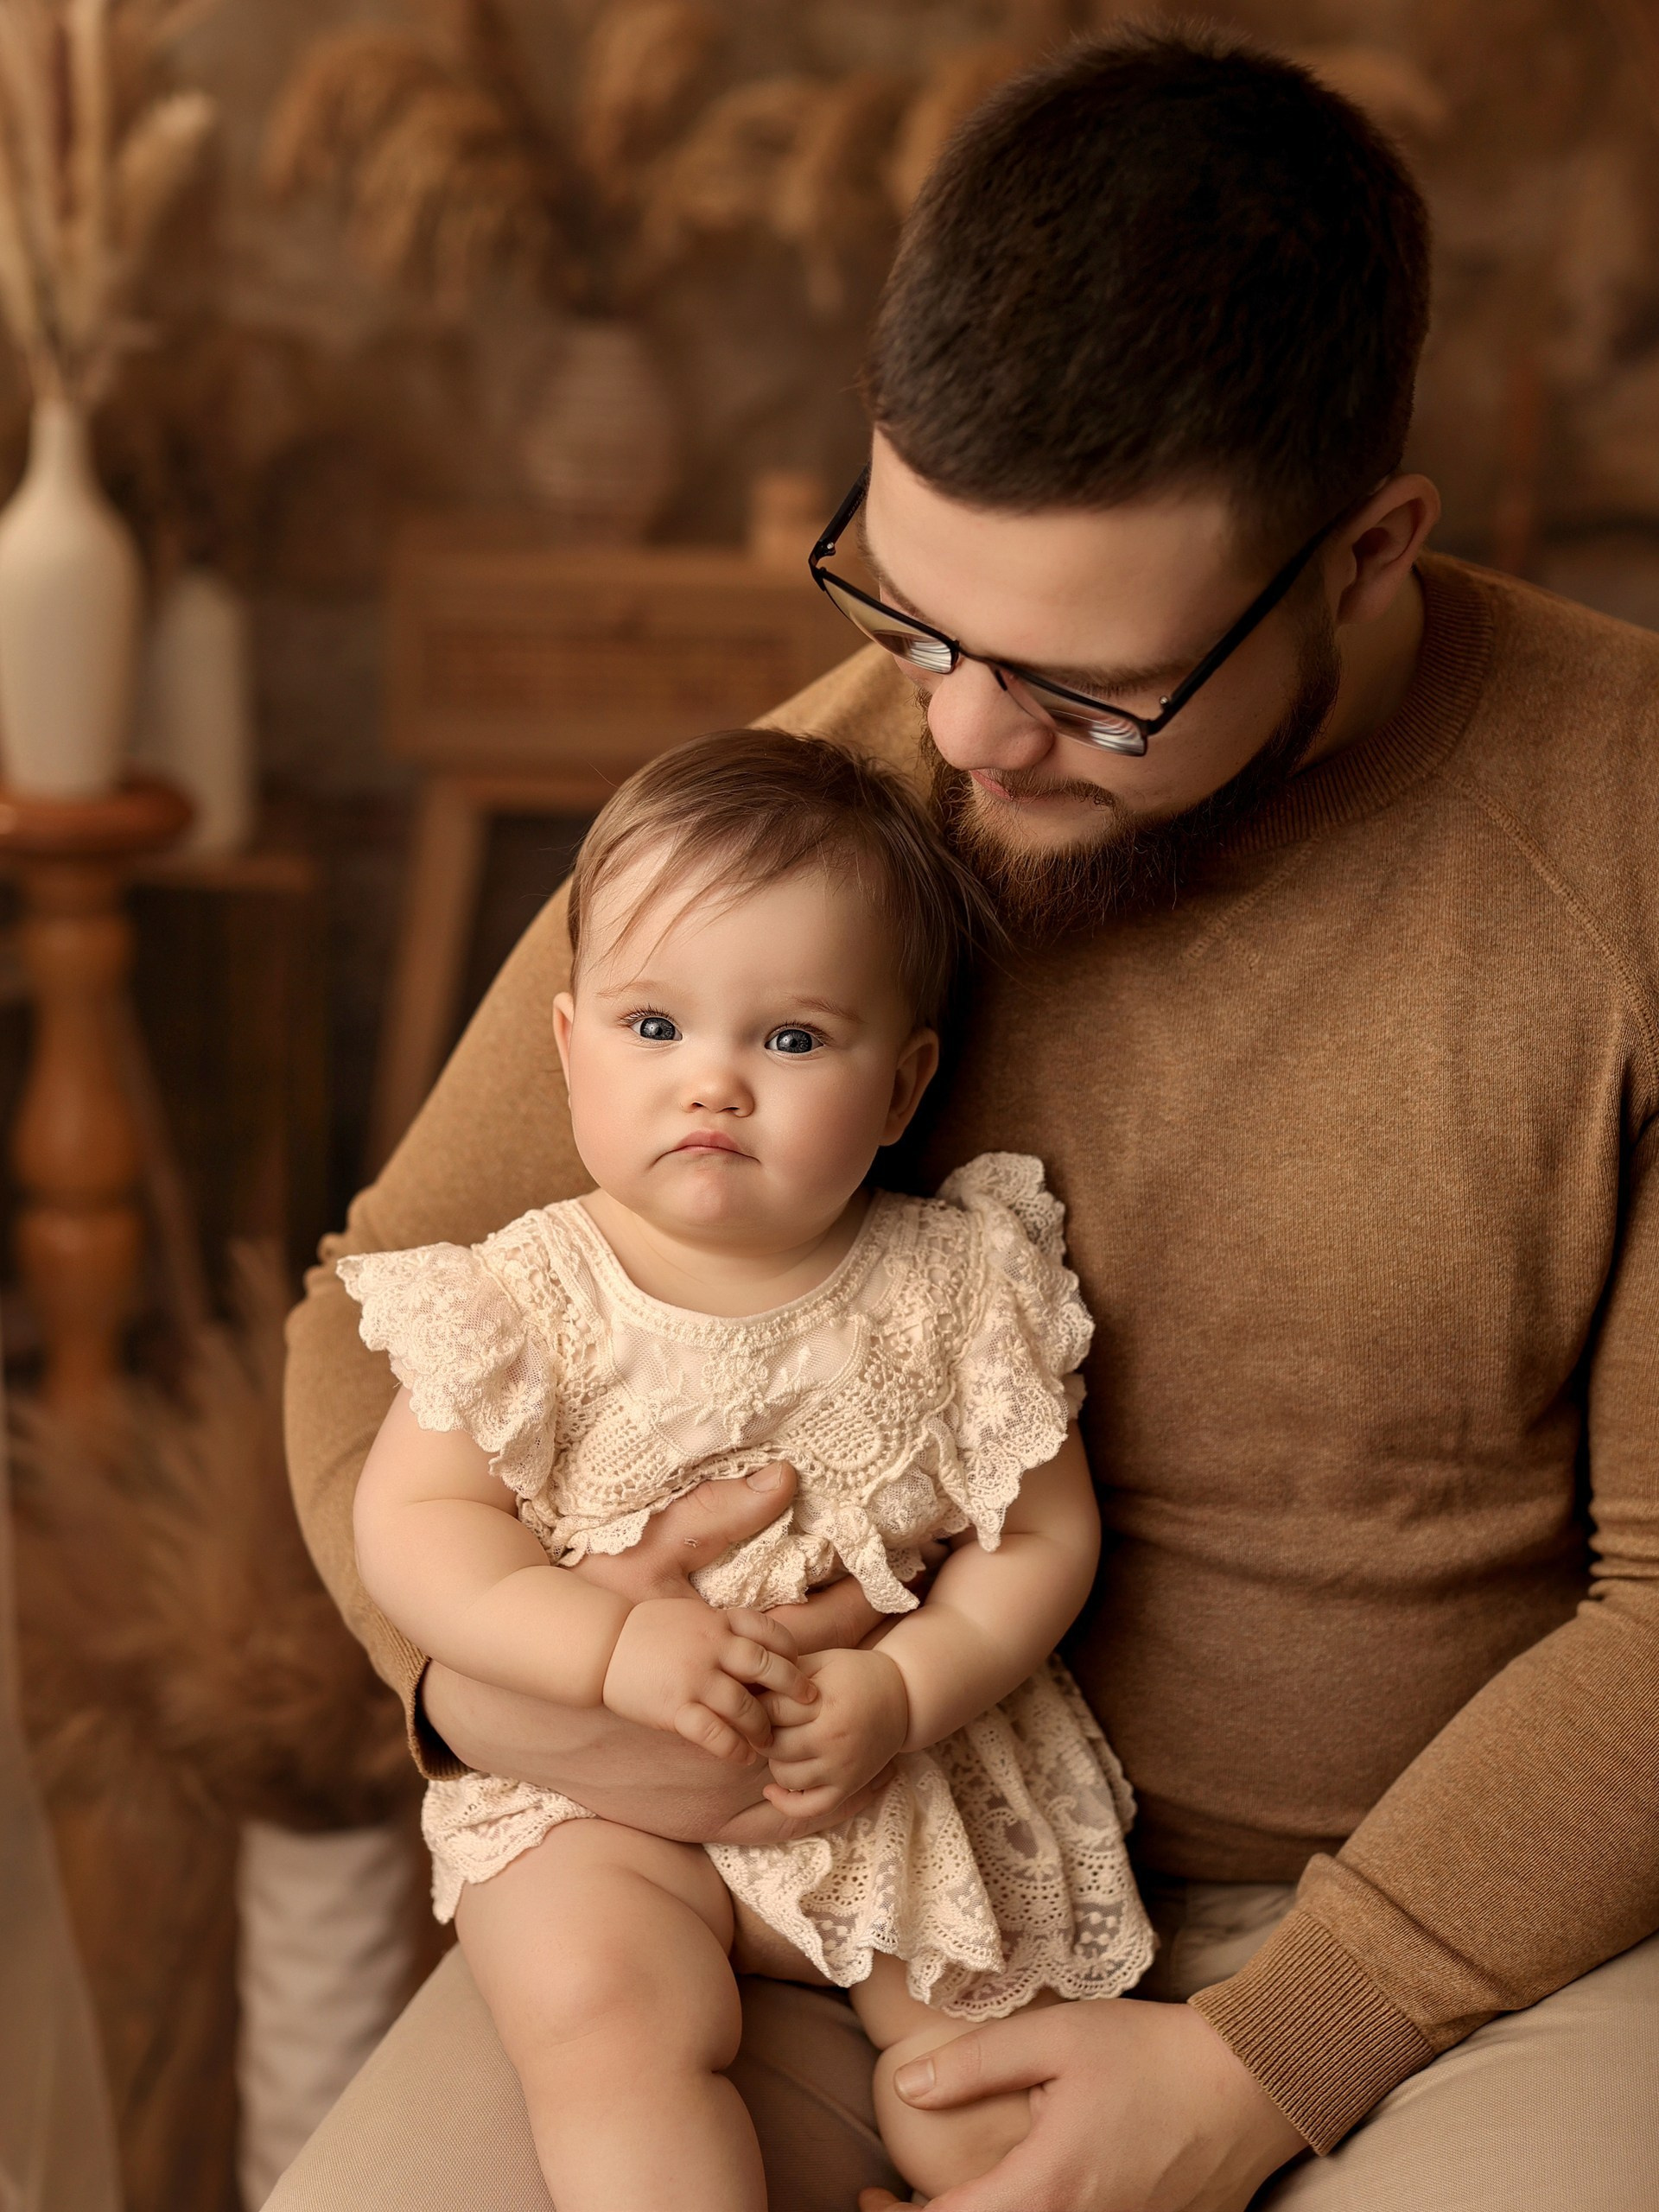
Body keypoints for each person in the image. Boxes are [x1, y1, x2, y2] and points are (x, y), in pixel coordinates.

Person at [277, 26, 1659, 2212]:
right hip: (779, 1876)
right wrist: (505, 1699)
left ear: (1367, 550)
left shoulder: (1625, 847)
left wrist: (1268, 2056)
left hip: (1456, 1949)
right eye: (910, 609)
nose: (962, 735)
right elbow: (384, 1309)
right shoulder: (818, 820)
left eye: (1092, 688)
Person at [335, 730, 1153, 2209]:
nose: (712, 1084)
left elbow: (1039, 1540)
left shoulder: (962, 1284)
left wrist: (910, 1689)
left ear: (903, 1088)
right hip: (599, 1805)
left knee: (985, 2074)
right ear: (569, 1047)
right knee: (607, 2027)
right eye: (656, 1028)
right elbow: (416, 1525)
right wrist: (606, 1644)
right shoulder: (528, 1296)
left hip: (893, 1771)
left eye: (789, 1040)